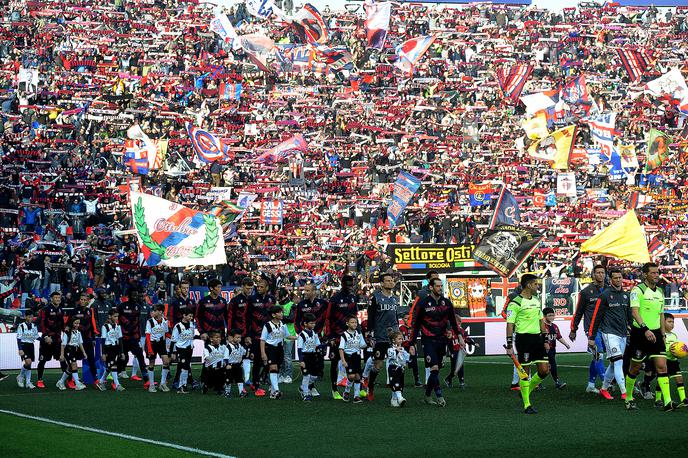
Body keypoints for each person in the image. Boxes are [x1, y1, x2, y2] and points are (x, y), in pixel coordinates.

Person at [624, 263, 677, 411]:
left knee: (662, 366)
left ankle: (667, 401)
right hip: (640, 334)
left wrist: (663, 334)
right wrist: (645, 329)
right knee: (634, 368)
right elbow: (635, 312)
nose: (656, 275)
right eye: (653, 273)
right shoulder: (637, 290)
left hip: (656, 335)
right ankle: (628, 398)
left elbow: (661, 315)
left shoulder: (660, 291)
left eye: (657, 272)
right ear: (645, 274)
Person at [409, 277, 460, 407]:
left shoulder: (446, 303)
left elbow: (453, 321)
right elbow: (416, 325)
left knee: (436, 371)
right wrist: (412, 343)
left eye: (441, 286)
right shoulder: (423, 303)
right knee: (434, 368)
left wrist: (459, 336)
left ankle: (427, 395)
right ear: (431, 287)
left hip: (442, 340)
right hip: (428, 340)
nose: (440, 288)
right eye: (437, 286)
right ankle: (439, 396)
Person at [506, 274, 550, 414]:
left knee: (544, 370)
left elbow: (541, 321)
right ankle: (527, 405)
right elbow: (510, 325)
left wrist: (545, 339)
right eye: (536, 284)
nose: (538, 287)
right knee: (525, 373)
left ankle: (526, 390)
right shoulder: (515, 303)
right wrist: (509, 345)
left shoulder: (537, 301)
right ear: (529, 285)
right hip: (523, 340)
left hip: (537, 339)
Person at [586, 270, 630, 401]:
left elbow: (629, 316)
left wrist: (631, 328)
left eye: (620, 277)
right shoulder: (605, 295)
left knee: (613, 363)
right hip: (609, 333)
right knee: (618, 361)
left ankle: (604, 389)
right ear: (610, 280)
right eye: (615, 278)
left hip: (622, 333)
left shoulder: (626, 295)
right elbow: (596, 317)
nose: (618, 280)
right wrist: (592, 337)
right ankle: (624, 392)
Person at [569, 265, 607, 394]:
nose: (600, 275)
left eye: (602, 272)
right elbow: (578, 312)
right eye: (598, 272)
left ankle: (591, 384)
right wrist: (573, 329)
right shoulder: (585, 292)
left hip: (608, 328)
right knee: (598, 355)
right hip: (592, 329)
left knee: (596, 358)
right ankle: (606, 383)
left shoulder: (609, 289)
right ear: (593, 274)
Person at [365, 272, 400, 401]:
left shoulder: (395, 298)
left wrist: (398, 332)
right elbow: (371, 316)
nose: (391, 282)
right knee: (377, 365)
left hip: (393, 335)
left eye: (392, 280)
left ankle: (396, 391)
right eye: (388, 281)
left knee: (395, 364)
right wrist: (370, 332)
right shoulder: (375, 298)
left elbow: (395, 316)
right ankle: (370, 386)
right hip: (380, 336)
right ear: (382, 283)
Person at [325, 274, 359, 400]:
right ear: (343, 284)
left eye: (352, 284)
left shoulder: (353, 298)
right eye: (348, 284)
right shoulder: (334, 299)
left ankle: (357, 389)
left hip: (350, 337)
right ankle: (334, 389)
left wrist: (358, 333)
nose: (350, 287)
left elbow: (355, 317)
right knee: (334, 362)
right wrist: (330, 336)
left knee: (354, 361)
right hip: (337, 336)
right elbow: (328, 318)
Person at [246, 276, 276, 397]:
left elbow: (274, 316)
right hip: (256, 335)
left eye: (261, 287)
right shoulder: (252, 299)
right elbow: (247, 317)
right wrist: (248, 334)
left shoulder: (272, 299)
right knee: (258, 361)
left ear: (267, 288)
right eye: (257, 286)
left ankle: (262, 381)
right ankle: (256, 384)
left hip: (270, 336)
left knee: (270, 360)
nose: (258, 288)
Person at [260, 305, 297, 399]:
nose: (282, 314)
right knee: (273, 368)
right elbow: (262, 340)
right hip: (270, 348)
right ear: (273, 315)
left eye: (282, 312)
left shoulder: (282, 324)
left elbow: (287, 336)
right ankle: (276, 390)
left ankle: (272, 391)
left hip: (280, 348)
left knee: (277, 369)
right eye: (280, 312)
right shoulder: (267, 326)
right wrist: (263, 353)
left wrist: (298, 337)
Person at [117, 287, 149, 385]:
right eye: (133, 295)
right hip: (124, 338)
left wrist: (138, 336)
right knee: (122, 358)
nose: (135, 297)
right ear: (129, 295)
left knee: (140, 356)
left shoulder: (138, 307)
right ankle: (112, 376)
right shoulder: (121, 306)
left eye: (136, 295)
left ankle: (146, 379)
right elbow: (118, 321)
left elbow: (138, 323)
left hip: (134, 338)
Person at [655, 313, 687, 408]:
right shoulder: (660, 334)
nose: (672, 324)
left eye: (673, 322)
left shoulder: (674, 335)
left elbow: (678, 349)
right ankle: (658, 399)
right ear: (662, 322)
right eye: (669, 322)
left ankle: (683, 399)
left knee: (679, 378)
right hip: (664, 361)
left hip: (673, 361)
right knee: (663, 380)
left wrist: (681, 352)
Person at [228, 277, 254, 392]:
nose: (249, 290)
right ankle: (233, 377)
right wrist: (230, 333)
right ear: (243, 286)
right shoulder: (235, 300)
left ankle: (247, 378)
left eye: (251, 288)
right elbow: (230, 317)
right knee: (235, 356)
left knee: (248, 355)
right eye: (247, 288)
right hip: (237, 333)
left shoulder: (253, 299)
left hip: (250, 332)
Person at [67, 292, 100, 384]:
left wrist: (93, 338)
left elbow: (93, 326)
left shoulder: (90, 311)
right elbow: (69, 324)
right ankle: (70, 379)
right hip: (75, 340)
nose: (82, 301)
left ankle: (96, 379)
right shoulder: (74, 311)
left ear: (88, 301)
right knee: (73, 361)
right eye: (81, 299)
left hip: (87, 339)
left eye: (85, 300)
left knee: (91, 359)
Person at [36, 291, 66, 389]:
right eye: (56, 297)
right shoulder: (45, 309)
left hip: (57, 339)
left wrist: (65, 332)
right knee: (43, 360)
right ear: (51, 299)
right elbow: (42, 323)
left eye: (59, 298)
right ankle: (39, 380)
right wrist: (45, 336)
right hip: (47, 339)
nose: (58, 299)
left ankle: (66, 380)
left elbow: (62, 324)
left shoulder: (61, 309)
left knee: (62, 359)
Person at [339, 316, 367, 403]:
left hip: (357, 357)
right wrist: (343, 360)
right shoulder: (344, 335)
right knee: (351, 376)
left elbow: (363, 345)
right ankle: (346, 391)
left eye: (355, 322)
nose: (354, 324)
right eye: (352, 322)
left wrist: (368, 343)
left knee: (358, 376)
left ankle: (356, 396)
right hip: (349, 357)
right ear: (347, 324)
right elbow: (341, 349)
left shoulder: (359, 333)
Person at [297, 313, 324, 401]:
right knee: (306, 376)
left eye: (314, 323)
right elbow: (299, 349)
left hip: (313, 356)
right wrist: (301, 360)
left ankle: (302, 387)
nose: (313, 325)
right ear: (305, 323)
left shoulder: (314, 333)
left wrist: (326, 344)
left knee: (314, 376)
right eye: (311, 323)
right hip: (305, 356)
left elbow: (318, 345)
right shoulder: (302, 335)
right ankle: (306, 394)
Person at [97, 308, 125, 392]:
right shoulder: (105, 327)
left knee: (110, 366)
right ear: (110, 316)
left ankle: (101, 381)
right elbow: (103, 340)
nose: (116, 318)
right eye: (115, 316)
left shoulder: (118, 326)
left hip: (115, 348)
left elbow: (120, 340)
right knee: (113, 365)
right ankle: (117, 384)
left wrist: (122, 352)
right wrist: (103, 353)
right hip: (108, 348)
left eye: (117, 316)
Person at [145, 303, 171, 393]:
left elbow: (166, 333)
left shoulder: (165, 321)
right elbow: (148, 336)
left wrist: (172, 338)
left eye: (155, 311)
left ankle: (162, 383)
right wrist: (149, 349)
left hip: (161, 343)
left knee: (166, 362)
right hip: (152, 344)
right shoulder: (150, 321)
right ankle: (151, 385)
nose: (153, 312)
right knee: (151, 363)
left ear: (160, 312)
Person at [171, 308, 196, 394]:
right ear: (184, 315)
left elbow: (192, 336)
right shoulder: (177, 326)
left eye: (192, 316)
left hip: (190, 349)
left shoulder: (192, 325)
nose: (191, 318)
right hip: (181, 349)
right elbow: (173, 340)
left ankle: (183, 385)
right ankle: (181, 386)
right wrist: (173, 352)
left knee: (186, 366)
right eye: (189, 316)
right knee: (184, 366)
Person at [57, 317, 87, 391]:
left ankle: (61, 382)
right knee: (74, 365)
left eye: (78, 323)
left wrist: (84, 352)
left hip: (74, 350)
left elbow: (80, 343)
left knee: (70, 368)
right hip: (68, 349)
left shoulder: (78, 332)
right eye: (75, 323)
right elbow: (63, 344)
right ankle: (77, 384)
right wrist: (62, 354)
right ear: (72, 323)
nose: (77, 325)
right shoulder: (67, 332)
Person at [543, 307, 570, 390]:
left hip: (552, 349)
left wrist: (566, 344)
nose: (552, 317)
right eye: (549, 315)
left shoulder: (555, 326)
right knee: (549, 366)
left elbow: (558, 337)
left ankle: (538, 383)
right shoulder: (542, 326)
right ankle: (557, 382)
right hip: (544, 350)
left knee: (548, 366)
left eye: (553, 315)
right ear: (544, 316)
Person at [202, 331, 230, 396]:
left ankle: (219, 389)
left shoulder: (223, 347)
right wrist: (214, 361)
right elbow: (207, 358)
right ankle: (206, 385)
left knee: (221, 375)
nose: (219, 339)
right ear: (211, 339)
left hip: (221, 368)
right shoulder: (207, 348)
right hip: (210, 369)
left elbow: (226, 356)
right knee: (210, 383)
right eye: (216, 337)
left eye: (219, 337)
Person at [16, 308, 39, 389]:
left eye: (32, 317)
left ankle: (28, 382)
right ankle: (21, 376)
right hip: (24, 345)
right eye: (29, 317)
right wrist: (20, 349)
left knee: (30, 364)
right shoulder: (21, 326)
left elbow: (36, 336)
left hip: (31, 346)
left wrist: (44, 339)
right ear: (25, 317)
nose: (30, 318)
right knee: (28, 362)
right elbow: (18, 338)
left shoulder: (34, 326)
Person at [386, 330, 410, 407]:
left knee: (401, 384)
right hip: (393, 368)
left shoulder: (402, 349)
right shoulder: (390, 349)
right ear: (393, 340)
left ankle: (394, 399)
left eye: (401, 339)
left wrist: (409, 358)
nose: (401, 340)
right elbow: (391, 357)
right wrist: (396, 351)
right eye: (399, 339)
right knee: (396, 383)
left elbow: (406, 357)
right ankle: (400, 398)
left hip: (400, 369)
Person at [277, 287, 295, 384]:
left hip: (289, 334)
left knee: (287, 356)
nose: (280, 299)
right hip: (279, 335)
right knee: (280, 356)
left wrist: (280, 316)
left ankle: (288, 375)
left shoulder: (292, 305)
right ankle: (281, 374)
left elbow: (291, 319)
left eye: (281, 296)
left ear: (286, 296)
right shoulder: (277, 304)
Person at [225, 328, 247, 398]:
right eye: (237, 337)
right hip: (230, 366)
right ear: (232, 337)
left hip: (238, 365)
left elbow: (244, 352)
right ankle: (227, 392)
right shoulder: (228, 347)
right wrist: (227, 364)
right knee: (229, 379)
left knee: (239, 379)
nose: (239, 339)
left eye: (240, 337)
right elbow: (225, 357)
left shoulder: (240, 346)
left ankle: (241, 392)